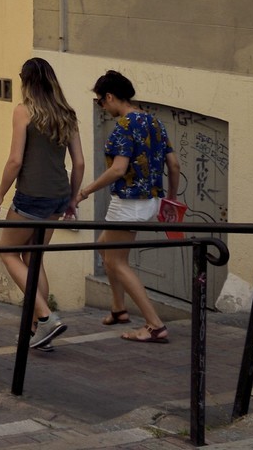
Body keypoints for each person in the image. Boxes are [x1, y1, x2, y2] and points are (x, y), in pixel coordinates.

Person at [75, 69, 182, 345]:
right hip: (150, 201)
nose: (102, 107)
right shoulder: (154, 122)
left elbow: (118, 170)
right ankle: (118, 308)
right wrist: (169, 199)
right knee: (104, 247)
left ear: (109, 96)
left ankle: (155, 325)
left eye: (100, 101)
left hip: (129, 203)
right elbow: (174, 165)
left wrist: (85, 192)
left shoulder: (124, 126)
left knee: (117, 261)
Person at [0, 58, 84, 350]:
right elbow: (78, 162)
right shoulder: (67, 114)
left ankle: (45, 318)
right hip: (57, 196)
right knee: (33, 259)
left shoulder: (24, 111)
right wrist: (71, 201)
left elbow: (15, 160)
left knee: (7, 252)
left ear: (25, 81)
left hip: (31, 196)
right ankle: (37, 330)